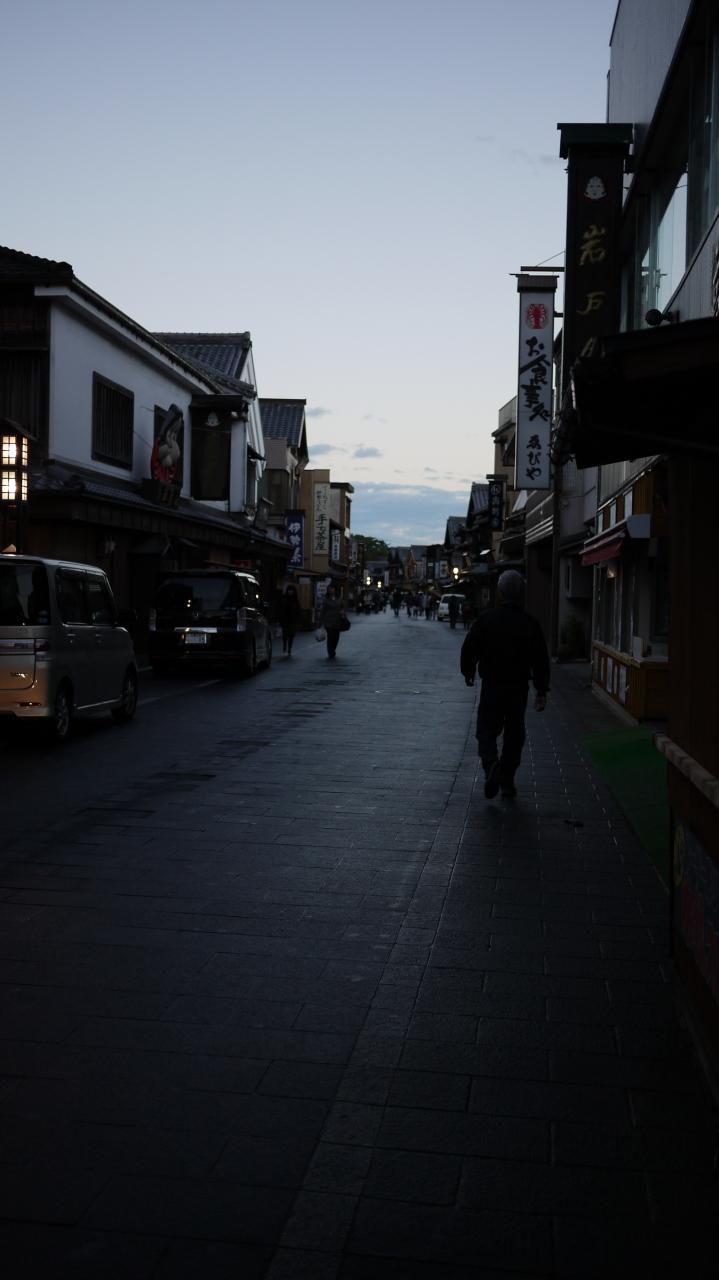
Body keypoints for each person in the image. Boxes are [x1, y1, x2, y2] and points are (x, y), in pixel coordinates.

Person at [460, 569, 550, 799]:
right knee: (514, 733)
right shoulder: (529, 623)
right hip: (518, 687)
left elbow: (470, 647)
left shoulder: (487, 619)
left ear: (499, 593)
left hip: (492, 684)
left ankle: (491, 763)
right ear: (521, 594)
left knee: (486, 729)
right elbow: (540, 659)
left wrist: (468, 671)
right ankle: (507, 779)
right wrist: (541, 689)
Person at [320, 584, 346, 659]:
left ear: (335, 589)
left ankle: (333, 649)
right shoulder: (326, 599)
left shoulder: (339, 598)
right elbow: (323, 610)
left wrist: (342, 612)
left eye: (331, 588)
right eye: (329, 589)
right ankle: (330, 652)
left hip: (337, 620)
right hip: (328, 621)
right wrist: (321, 620)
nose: (330, 590)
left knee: (336, 637)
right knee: (330, 636)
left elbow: (343, 607)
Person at [278, 582, 301, 657]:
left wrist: (298, 620)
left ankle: (289, 649)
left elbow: (298, 611)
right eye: (289, 590)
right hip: (285, 620)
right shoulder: (284, 599)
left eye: (291, 590)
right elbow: (281, 610)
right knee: (285, 635)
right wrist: (280, 619)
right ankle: (285, 645)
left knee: (291, 635)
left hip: (293, 621)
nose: (290, 592)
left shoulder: (295, 601)